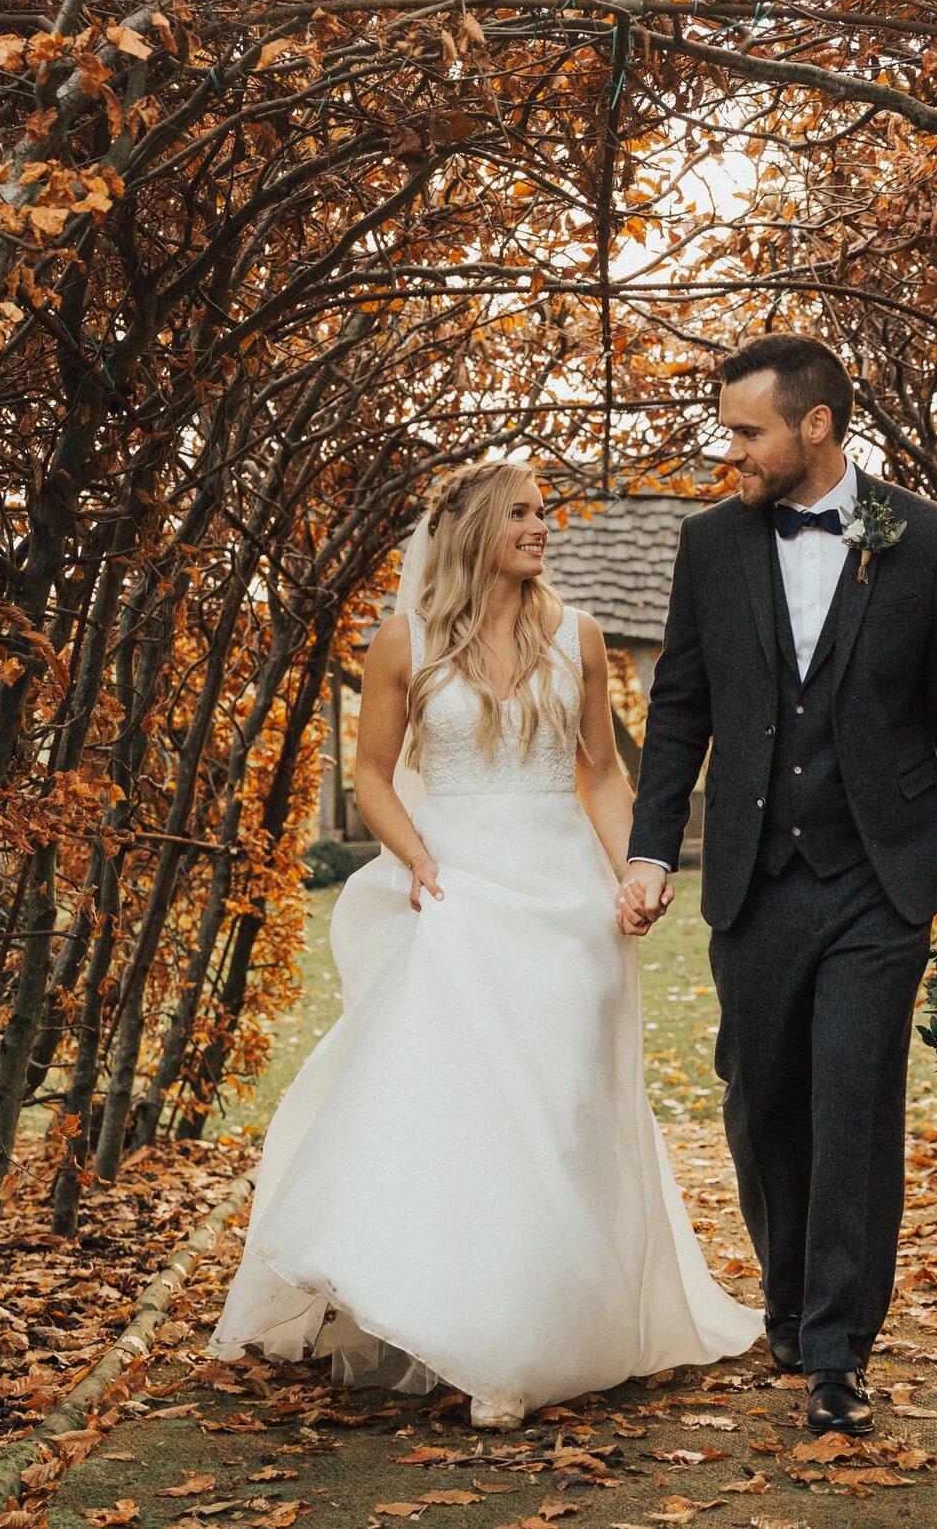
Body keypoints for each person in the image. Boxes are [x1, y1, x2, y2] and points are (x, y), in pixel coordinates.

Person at [210, 457, 762, 1430]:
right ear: (470, 528)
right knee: (461, 1113)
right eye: (523, 513)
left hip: (564, 903)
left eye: (544, 511)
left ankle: (545, 1326)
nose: (542, 526)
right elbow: (374, 775)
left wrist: (637, 867)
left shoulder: (577, 635)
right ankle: (475, 1335)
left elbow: (599, 771)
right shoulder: (404, 640)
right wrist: (418, 860)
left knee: (561, 1114)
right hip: (455, 895)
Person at [619, 333, 937, 1437]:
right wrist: (651, 849)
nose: (733, 452)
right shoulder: (709, 543)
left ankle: (837, 1348)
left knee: (852, 1097)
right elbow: (679, 707)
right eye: (727, 430)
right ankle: (792, 1296)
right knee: (764, 1104)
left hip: (877, 877)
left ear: (815, 425)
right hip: (755, 879)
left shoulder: (923, 537)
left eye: (747, 431)